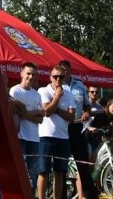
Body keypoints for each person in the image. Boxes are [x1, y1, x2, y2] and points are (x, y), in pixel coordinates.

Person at [59, 60, 98, 199]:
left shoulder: (80, 85)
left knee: (82, 163)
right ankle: (61, 195)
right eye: (61, 70)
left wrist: (86, 112)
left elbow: (87, 105)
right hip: (62, 128)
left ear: (70, 70)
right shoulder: (56, 85)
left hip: (77, 127)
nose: (64, 72)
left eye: (66, 69)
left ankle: (90, 195)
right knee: (61, 163)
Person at [36, 65, 75, 199]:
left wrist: (56, 109)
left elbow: (71, 117)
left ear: (65, 77)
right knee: (43, 171)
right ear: (50, 77)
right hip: (45, 137)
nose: (58, 79)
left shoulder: (69, 92)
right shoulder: (43, 90)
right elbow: (47, 112)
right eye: (55, 77)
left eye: (61, 77)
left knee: (60, 172)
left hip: (63, 137)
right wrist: (57, 97)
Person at [9, 62, 44, 190]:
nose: (31, 77)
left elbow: (40, 119)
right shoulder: (15, 90)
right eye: (28, 73)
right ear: (22, 74)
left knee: (32, 174)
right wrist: (36, 112)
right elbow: (15, 113)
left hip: (34, 139)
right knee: (18, 171)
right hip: (20, 137)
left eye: (33, 74)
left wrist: (25, 113)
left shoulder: (37, 94)